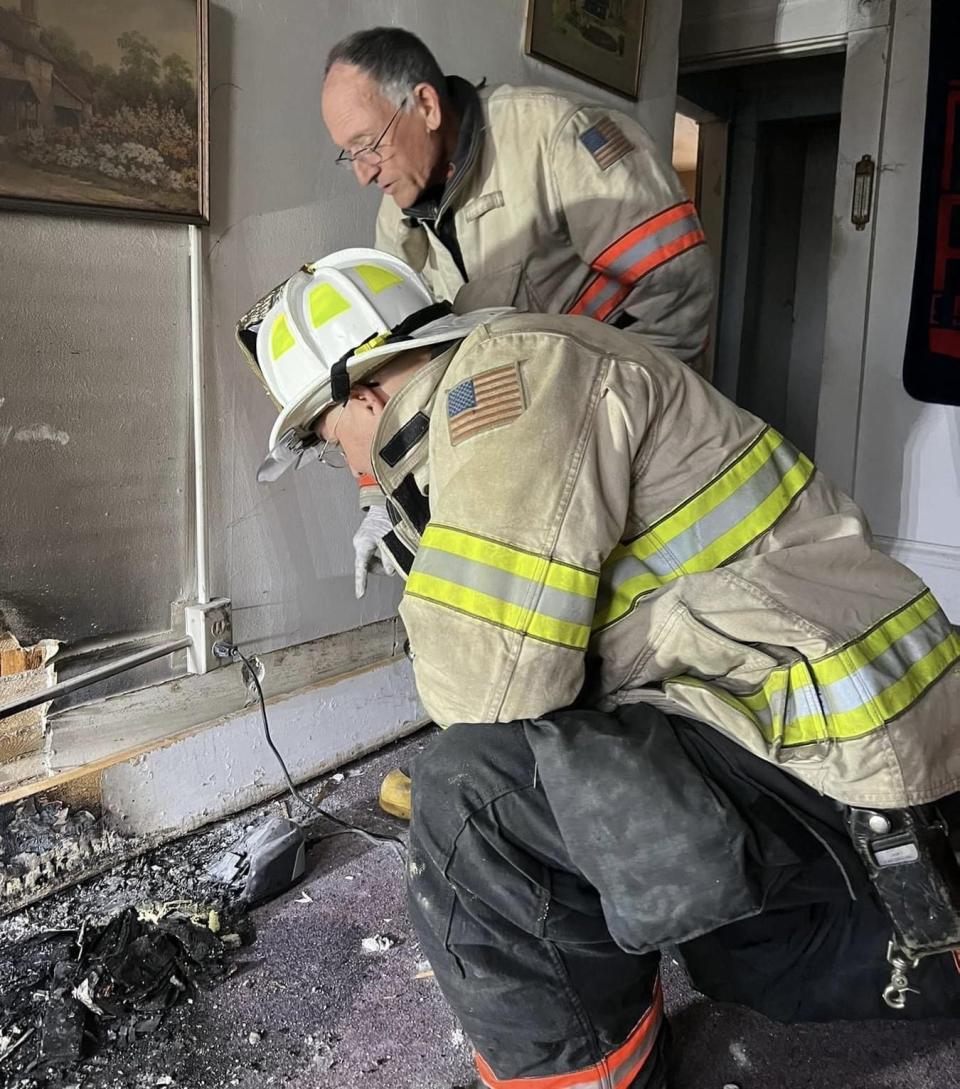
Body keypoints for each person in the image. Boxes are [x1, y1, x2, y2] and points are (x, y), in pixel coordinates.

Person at [237, 250, 960, 1088]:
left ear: (363, 392)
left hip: (824, 725)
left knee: (474, 803)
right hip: (837, 703)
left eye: (336, 445)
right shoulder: (529, 366)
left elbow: (489, 691)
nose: (358, 471)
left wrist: (420, 562)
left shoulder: (504, 383)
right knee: (744, 960)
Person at [321, 27, 715, 604]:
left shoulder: (556, 137)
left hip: (636, 460)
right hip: (525, 472)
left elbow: (677, 290)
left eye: (368, 143)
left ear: (426, 105)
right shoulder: (398, 219)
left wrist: (585, 432)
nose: (363, 171)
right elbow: (401, 374)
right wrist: (378, 492)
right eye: (347, 153)